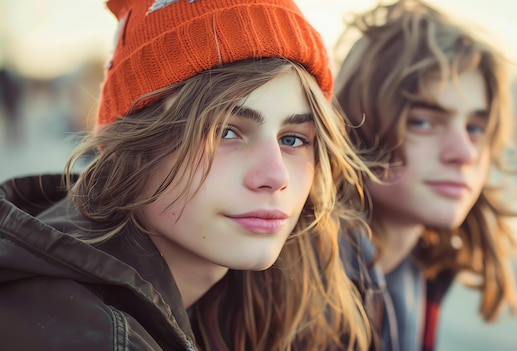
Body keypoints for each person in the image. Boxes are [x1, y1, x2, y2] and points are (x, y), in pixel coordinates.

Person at [0, 0, 373, 350]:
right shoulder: (80, 334)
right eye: (225, 132)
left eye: (293, 139)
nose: (276, 176)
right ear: (134, 145)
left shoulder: (258, 303)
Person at [335, 1, 517, 350]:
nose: (464, 153)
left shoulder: (420, 275)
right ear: (355, 126)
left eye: (475, 127)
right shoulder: (292, 289)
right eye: (423, 122)